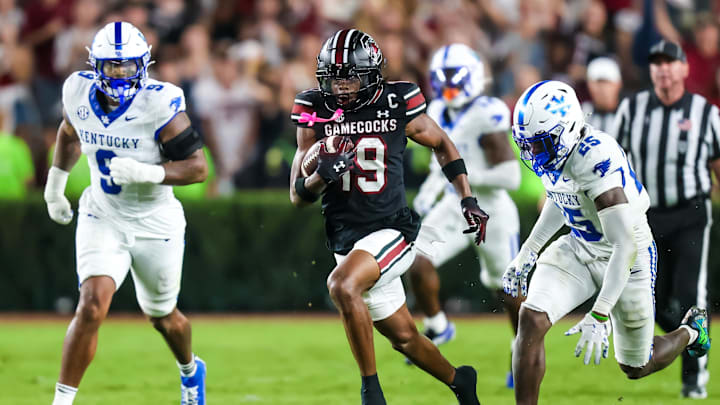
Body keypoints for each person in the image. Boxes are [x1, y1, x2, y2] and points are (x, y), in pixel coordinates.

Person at [289, 29, 487, 405]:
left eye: (350, 77)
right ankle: (461, 381)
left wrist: (467, 197)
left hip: (392, 229)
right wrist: (320, 176)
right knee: (405, 338)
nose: (341, 87)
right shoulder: (313, 107)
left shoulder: (397, 101)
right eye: (334, 77)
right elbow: (297, 196)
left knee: (342, 286)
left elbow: (442, 142)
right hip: (346, 238)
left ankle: (371, 393)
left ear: (372, 74)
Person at [503, 80, 710, 405]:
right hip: (580, 245)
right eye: (528, 144)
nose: (534, 152)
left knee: (637, 366)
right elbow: (561, 198)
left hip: (629, 255)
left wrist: (599, 313)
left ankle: (691, 331)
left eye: (540, 143)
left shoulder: (596, 159)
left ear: (567, 128)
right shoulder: (557, 149)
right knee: (531, 318)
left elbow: (624, 247)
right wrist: (528, 252)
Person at [43, 22, 208, 405]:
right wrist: (55, 187)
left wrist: (151, 172)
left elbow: (198, 167)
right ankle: (62, 401)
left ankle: (189, 369)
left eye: (127, 65)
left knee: (163, 317)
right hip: (104, 214)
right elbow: (69, 133)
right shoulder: (78, 91)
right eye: (112, 65)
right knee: (92, 304)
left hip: (156, 222)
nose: (119, 74)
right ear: (95, 64)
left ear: (143, 65)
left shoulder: (159, 103)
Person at [611, 39, 720, 399]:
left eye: (670, 62)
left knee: (690, 295)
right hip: (646, 215)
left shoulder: (707, 113)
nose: (663, 68)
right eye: (656, 62)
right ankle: (690, 337)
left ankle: (694, 380)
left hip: (691, 212)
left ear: (685, 69)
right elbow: (614, 161)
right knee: (649, 299)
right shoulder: (632, 109)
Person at [409, 43, 522, 388]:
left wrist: (465, 181)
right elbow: (438, 160)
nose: (446, 84)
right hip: (456, 204)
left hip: (491, 209)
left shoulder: (487, 113)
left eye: (452, 77)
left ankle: (522, 357)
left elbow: (510, 176)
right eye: (441, 78)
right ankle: (438, 325)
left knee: (510, 291)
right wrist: (432, 189)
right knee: (416, 258)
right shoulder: (440, 108)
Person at [582, 57, 622, 133]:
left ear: (618, 84)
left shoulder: (629, 114)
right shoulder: (582, 113)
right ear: (589, 85)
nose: (602, 88)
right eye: (597, 82)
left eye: (606, 82)